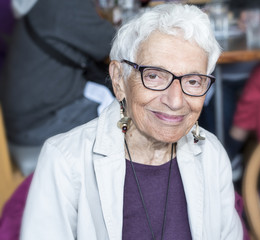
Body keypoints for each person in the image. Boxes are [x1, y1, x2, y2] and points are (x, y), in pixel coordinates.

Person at [20, 4, 243, 239]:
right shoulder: (65, 162)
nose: (176, 101)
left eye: (193, 81)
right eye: (154, 76)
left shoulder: (211, 155)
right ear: (119, 80)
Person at [0, 0, 116, 175]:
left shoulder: (47, 4)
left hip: (27, 117)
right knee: (128, 117)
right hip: (38, 125)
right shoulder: (66, 5)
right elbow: (111, 44)